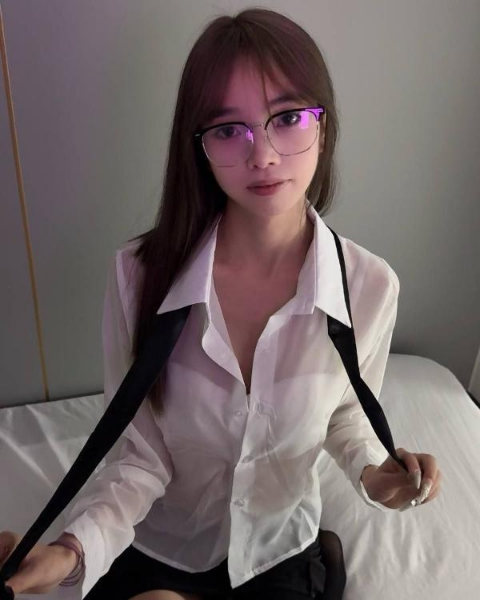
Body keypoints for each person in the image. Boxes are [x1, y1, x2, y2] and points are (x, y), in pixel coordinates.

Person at [0, 7, 442, 600]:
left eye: (288, 118)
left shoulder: (369, 287)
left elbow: (344, 414)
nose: (263, 156)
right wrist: (69, 553)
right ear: (200, 146)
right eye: (230, 129)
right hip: (165, 549)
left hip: (277, 551)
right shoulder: (140, 278)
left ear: (324, 125)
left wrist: (377, 474)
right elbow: (140, 458)